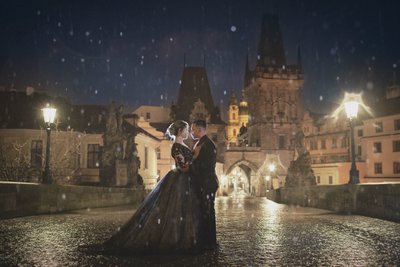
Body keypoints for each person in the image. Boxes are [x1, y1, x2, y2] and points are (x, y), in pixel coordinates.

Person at [101, 120, 203, 254]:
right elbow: (183, 167)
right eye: (186, 129)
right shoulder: (176, 146)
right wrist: (195, 163)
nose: (188, 132)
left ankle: (185, 238)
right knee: (176, 209)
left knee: (182, 209)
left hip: (184, 180)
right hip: (181, 180)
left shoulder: (182, 144)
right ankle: (176, 240)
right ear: (180, 131)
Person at [190, 119, 219, 249]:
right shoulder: (201, 143)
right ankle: (206, 240)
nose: (192, 132)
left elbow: (207, 166)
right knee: (204, 211)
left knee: (207, 211)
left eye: (193, 129)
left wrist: (193, 162)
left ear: (200, 129)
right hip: (203, 182)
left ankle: (209, 242)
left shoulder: (208, 145)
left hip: (206, 182)